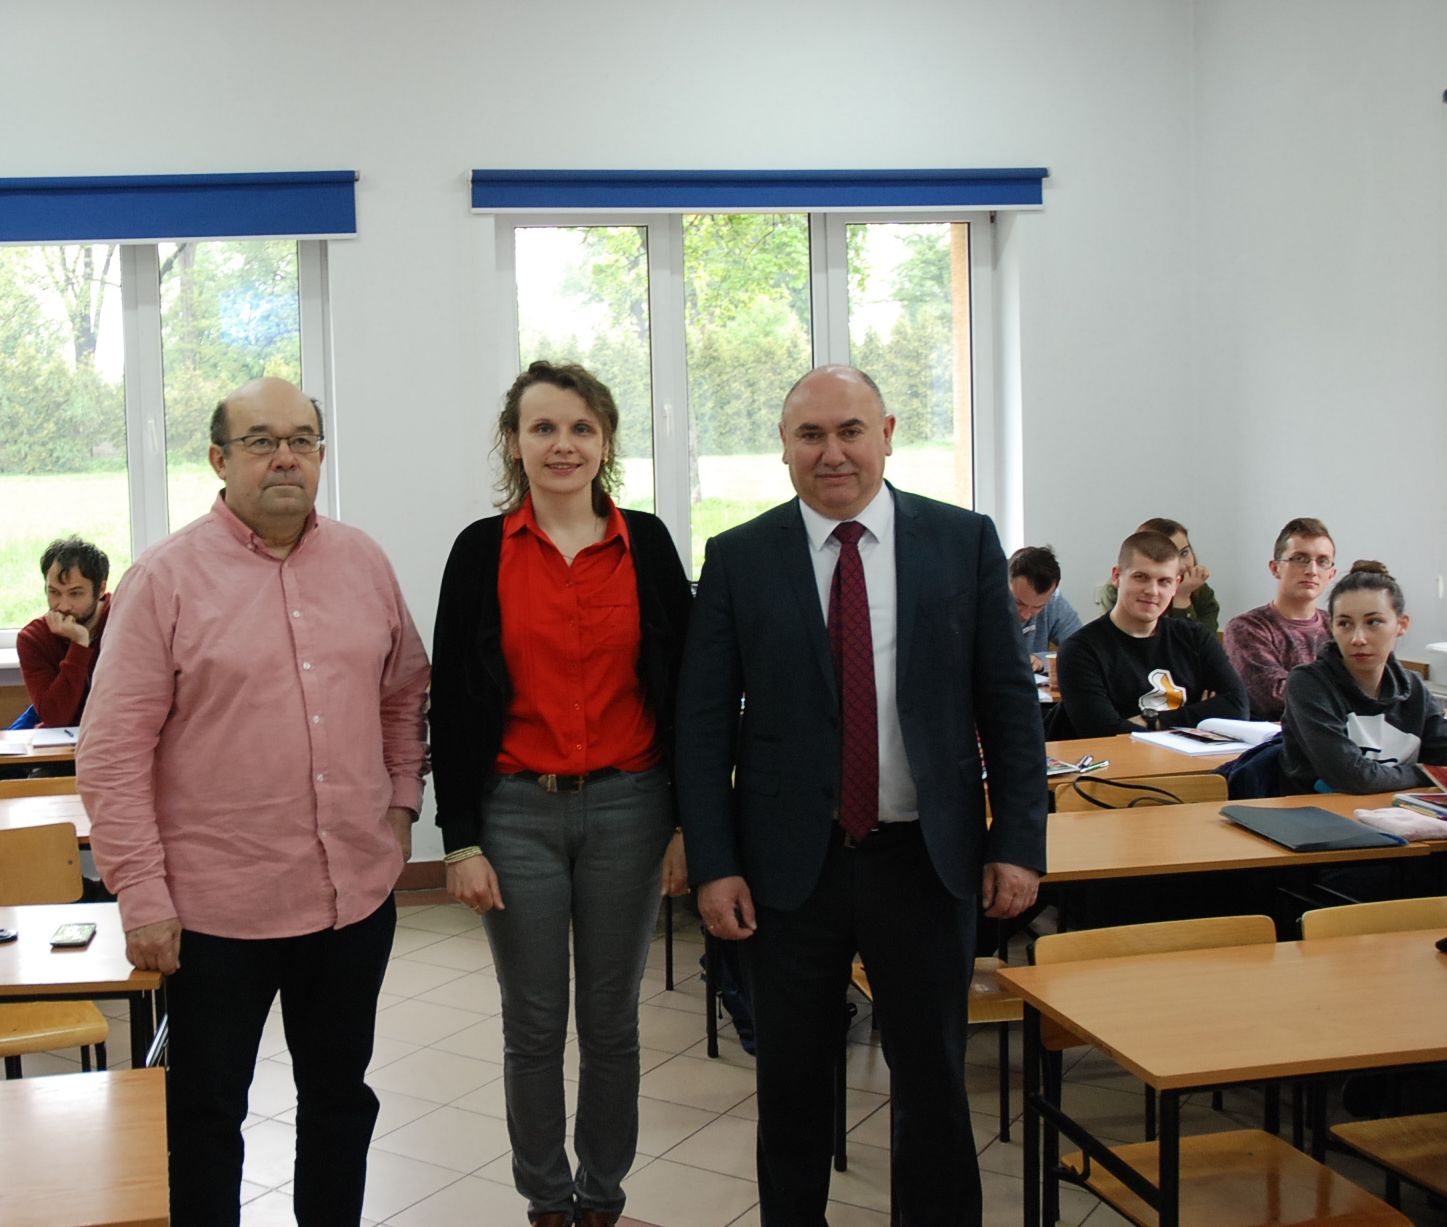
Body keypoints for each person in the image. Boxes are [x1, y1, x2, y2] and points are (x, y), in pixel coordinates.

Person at [675, 365, 1047, 1227]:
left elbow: (1007, 703)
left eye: (849, 430)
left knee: (933, 1084)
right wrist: (714, 863)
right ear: (784, 447)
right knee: (792, 1088)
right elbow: (701, 723)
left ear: (886, 433)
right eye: (810, 435)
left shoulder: (962, 541)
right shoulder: (739, 556)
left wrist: (1017, 841)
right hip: (786, 870)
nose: (831, 452)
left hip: (925, 860)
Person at [77, 377, 430, 1227]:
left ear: (319, 455)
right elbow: (112, 750)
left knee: (339, 1100)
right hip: (214, 915)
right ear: (219, 458)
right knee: (206, 1116)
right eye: (261, 441)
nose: (285, 458)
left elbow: (402, 693)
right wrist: (141, 893)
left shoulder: (363, 563)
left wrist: (399, 806)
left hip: (350, 900)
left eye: (302, 440)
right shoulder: (164, 579)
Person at [430, 360, 692, 1227]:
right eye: (542, 427)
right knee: (535, 1024)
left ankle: (601, 1195)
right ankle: (546, 1198)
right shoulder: (480, 550)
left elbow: (683, 692)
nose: (562, 444)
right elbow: (451, 704)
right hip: (515, 813)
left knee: (611, 1022)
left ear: (605, 442)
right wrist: (461, 839)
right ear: (514, 443)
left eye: (581, 427)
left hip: (630, 805)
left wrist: (689, 824)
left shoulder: (646, 543)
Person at [1055, 529, 1247, 738]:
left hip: (1195, 757)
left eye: (1164, 581)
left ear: (1176, 585)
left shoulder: (1195, 637)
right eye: (1141, 577)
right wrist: (1201, 714)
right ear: (1117, 576)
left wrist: (1151, 720)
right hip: (1119, 759)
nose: (1152, 591)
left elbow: (1237, 708)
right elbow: (1103, 731)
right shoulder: (1081, 649)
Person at [1280, 561, 1447, 793]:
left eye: (1373, 622)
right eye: (1345, 624)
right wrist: (1426, 774)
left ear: (1401, 625)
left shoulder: (1413, 688)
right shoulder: (1308, 683)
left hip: (1392, 810)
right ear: (1331, 627)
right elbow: (1353, 777)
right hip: (1315, 811)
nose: (1358, 638)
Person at [1223, 517, 1336, 719]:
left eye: (1322, 562)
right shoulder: (1247, 628)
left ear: (1332, 574)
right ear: (1276, 568)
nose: (1312, 571)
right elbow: (1273, 697)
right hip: (1275, 735)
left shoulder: (1339, 626)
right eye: (1300, 558)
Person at [16, 536, 110, 726]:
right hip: (62, 737)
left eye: (75, 593)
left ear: (100, 589)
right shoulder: (33, 638)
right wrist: (79, 645)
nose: (63, 606)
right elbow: (55, 718)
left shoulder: (125, 619)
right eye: (54, 592)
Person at [1098, 516, 1219, 633]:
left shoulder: (1199, 590)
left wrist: (1182, 597)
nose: (1182, 566)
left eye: (1184, 553)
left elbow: (1203, 644)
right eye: (1168, 556)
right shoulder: (1116, 590)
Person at [1008, 544, 1082, 673]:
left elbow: (1081, 650)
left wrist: (1042, 661)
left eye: (1038, 607)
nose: (1026, 615)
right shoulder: (986, 599)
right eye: (1019, 603)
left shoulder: (1054, 602)